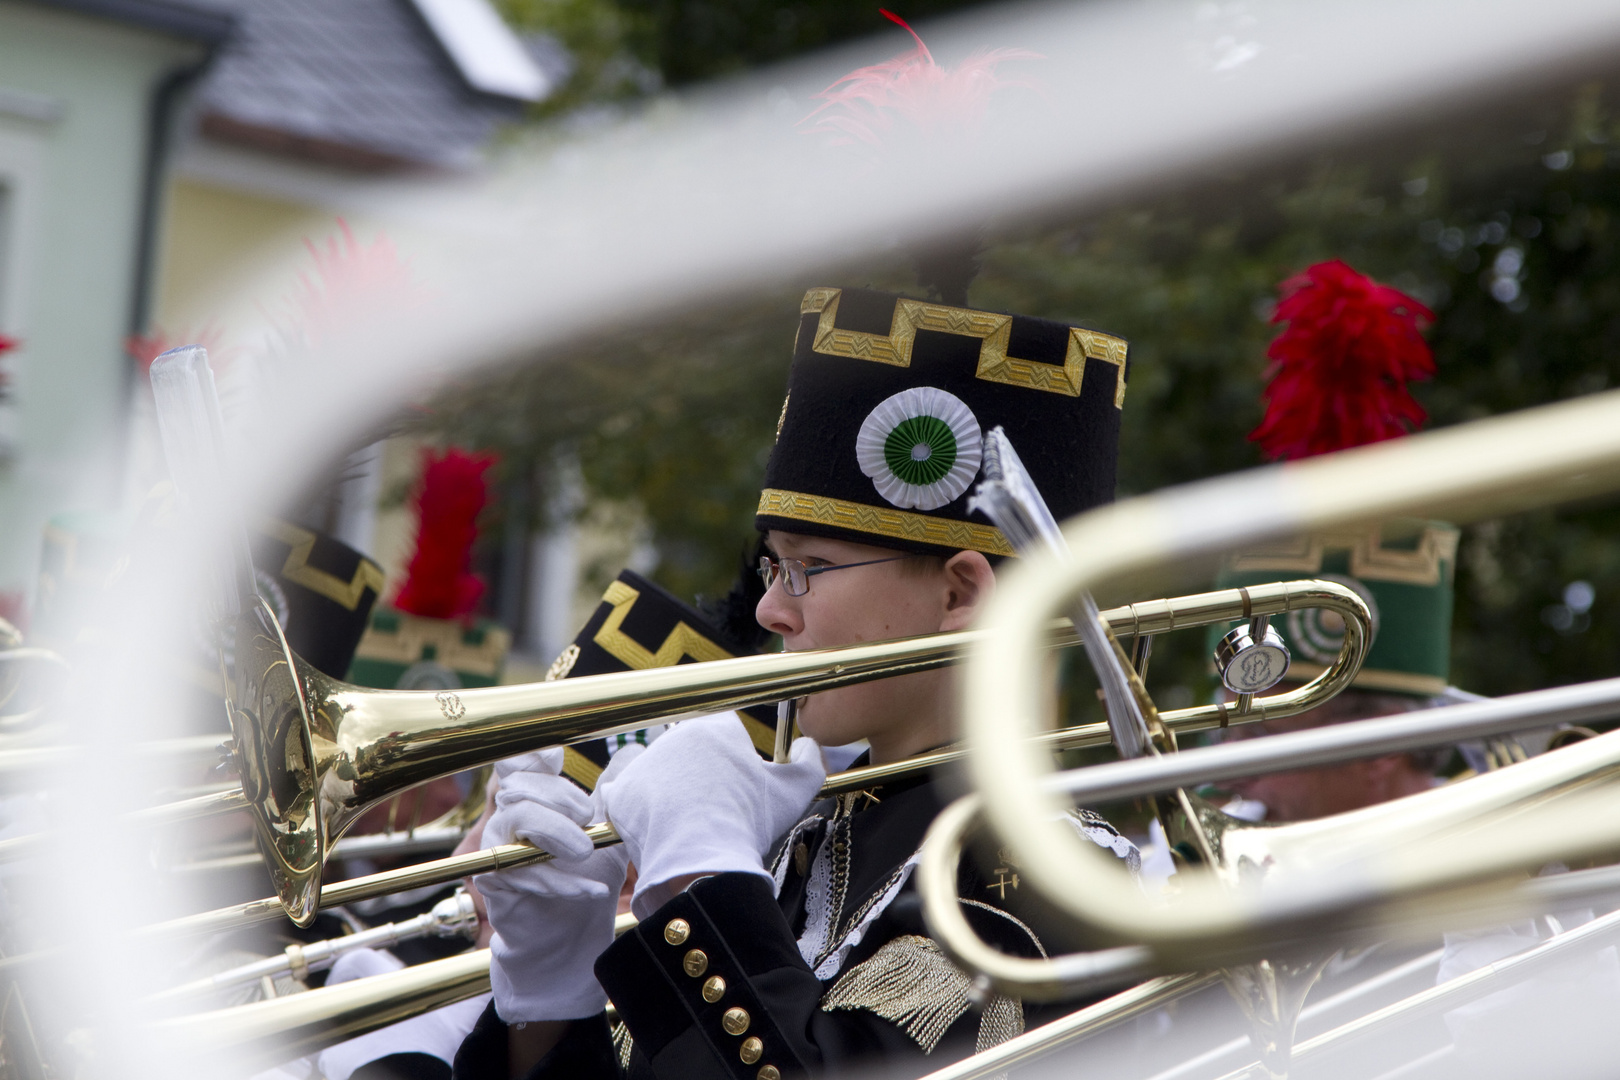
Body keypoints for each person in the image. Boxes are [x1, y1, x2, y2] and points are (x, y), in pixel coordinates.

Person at [451, 284, 1142, 1080]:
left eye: (810, 568)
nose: (774, 609)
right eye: (774, 565)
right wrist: (548, 986)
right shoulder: (803, 840)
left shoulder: (1053, 876)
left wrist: (700, 867)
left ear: (960, 593)